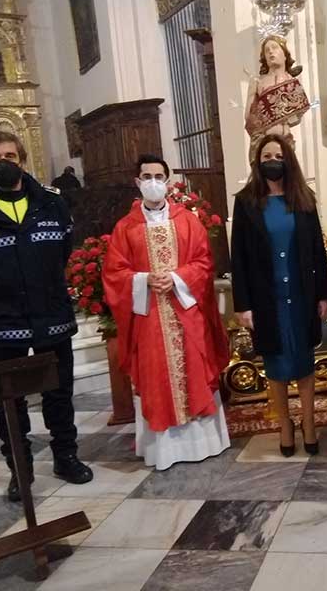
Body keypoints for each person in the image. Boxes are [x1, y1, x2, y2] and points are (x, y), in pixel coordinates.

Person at [0, 131, 92, 501]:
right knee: (10, 400)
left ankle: (66, 457)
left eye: (10, 154)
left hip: (50, 315)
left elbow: (64, 249)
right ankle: (20, 469)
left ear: (23, 159)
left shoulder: (52, 203)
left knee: (59, 392)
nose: (4, 161)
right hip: (1, 323)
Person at [103, 154, 231, 469]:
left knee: (194, 370)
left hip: (185, 312)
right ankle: (164, 450)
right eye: (146, 177)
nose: (153, 183)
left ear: (168, 180)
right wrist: (145, 280)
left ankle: (203, 443)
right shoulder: (125, 228)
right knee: (156, 376)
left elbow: (204, 262)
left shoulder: (188, 220)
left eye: (158, 176)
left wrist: (175, 278)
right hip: (149, 316)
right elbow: (114, 273)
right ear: (137, 182)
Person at [231, 134, 327, 456]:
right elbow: (239, 259)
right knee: (276, 363)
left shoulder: (303, 198)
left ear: (287, 158)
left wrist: (324, 296)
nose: (272, 161)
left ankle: (310, 422)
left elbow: (318, 250)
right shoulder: (246, 201)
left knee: (303, 361)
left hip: (301, 293)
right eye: (265, 156)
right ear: (257, 163)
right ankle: (285, 424)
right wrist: (243, 304)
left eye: (277, 154)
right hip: (267, 296)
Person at [244, 35, 310, 164]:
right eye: (266, 50)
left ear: (285, 55)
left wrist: (285, 116)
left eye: (274, 48)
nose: (270, 52)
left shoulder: (292, 82)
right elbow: (249, 116)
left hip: (286, 141)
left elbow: (297, 116)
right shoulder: (258, 82)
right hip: (264, 142)